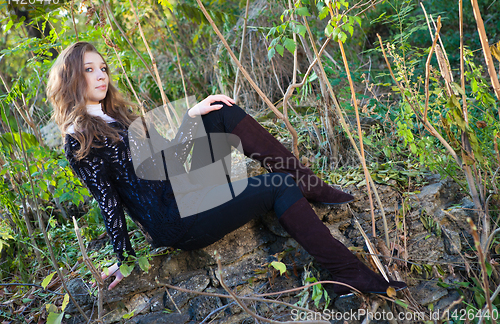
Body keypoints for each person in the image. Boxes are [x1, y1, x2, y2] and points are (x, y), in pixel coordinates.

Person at [47, 41, 406, 296]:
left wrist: (191, 117)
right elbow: (108, 202)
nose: (101, 75)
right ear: (70, 80)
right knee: (278, 185)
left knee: (219, 111)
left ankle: (310, 183)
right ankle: (346, 275)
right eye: (89, 70)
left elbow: (167, 163)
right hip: (177, 222)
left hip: (185, 193)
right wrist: (122, 259)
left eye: (103, 68)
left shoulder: (118, 117)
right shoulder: (80, 139)